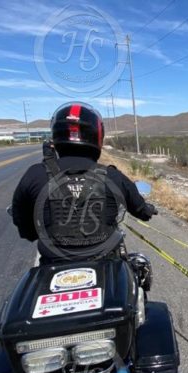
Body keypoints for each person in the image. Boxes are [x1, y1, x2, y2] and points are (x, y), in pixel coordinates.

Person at [12, 102, 157, 263]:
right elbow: (139, 208)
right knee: (136, 272)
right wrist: (147, 211)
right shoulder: (112, 176)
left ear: (57, 136)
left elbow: (22, 220)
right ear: (97, 136)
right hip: (105, 261)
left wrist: (31, 232)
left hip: (52, 263)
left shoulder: (35, 174)